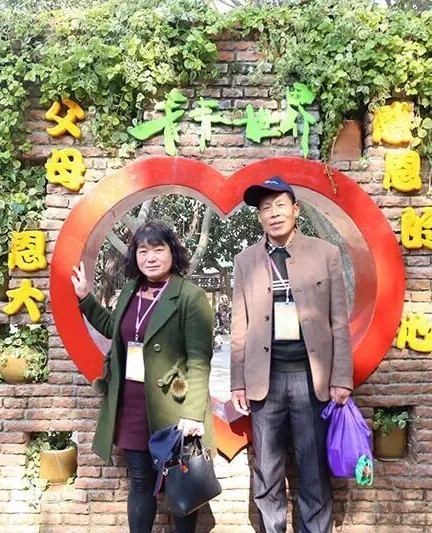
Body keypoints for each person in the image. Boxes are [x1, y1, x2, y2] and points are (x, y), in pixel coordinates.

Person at [71, 220, 215, 533]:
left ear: (172, 253)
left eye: (158, 249)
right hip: (133, 406)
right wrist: (85, 298)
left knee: (180, 482)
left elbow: (199, 360)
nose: (150, 257)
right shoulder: (130, 291)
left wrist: (193, 415)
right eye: (142, 250)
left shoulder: (190, 296)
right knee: (140, 482)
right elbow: (114, 329)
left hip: (173, 408)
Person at [230, 176, 353, 533]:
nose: (273, 213)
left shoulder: (325, 254)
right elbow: (239, 326)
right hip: (264, 381)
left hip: (310, 379)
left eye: (280, 205)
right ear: (259, 217)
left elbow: (339, 322)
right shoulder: (246, 261)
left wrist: (341, 378)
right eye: (265, 208)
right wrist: (238, 382)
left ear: (296, 210)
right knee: (267, 470)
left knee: (313, 468)